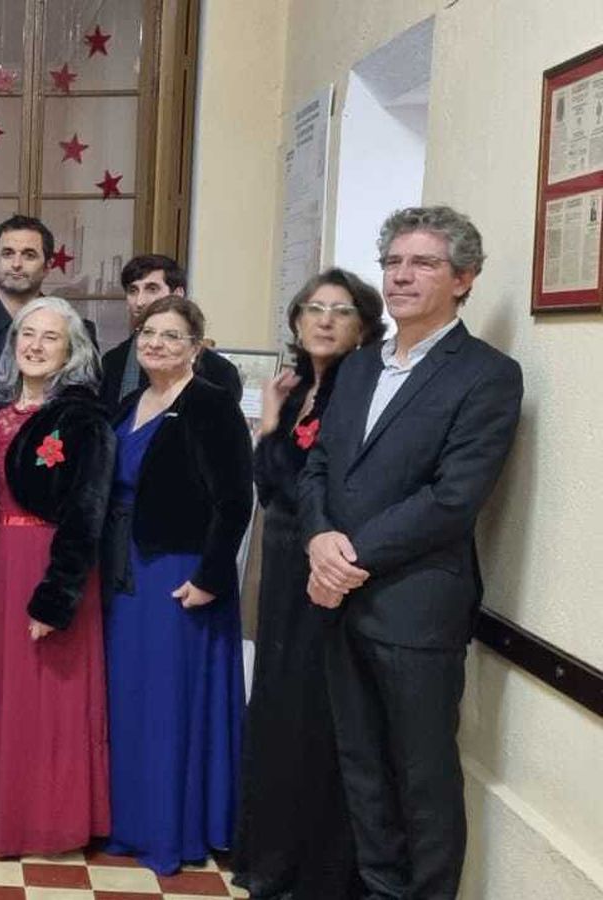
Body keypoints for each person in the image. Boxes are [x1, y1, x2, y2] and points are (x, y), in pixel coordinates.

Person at [300, 207, 523, 900]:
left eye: (423, 263)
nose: (401, 276)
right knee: (363, 773)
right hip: (340, 604)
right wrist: (317, 538)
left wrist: (347, 558)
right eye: (393, 262)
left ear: (464, 279)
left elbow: (453, 498)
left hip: (415, 610)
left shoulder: (487, 375)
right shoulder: (359, 366)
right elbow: (319, 467)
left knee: (422, 782)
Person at [232, 269, 383, 900]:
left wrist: (269, 435)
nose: (324, 320)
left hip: (326, 571)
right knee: (276, 705)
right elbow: (271, 485)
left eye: (341, 311)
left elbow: (307, 487)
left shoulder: (360, 390)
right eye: (313, 309)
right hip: (283, 566)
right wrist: (272, 421)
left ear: (364, 328)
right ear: (295, 321)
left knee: (315, 716)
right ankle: (271, 859)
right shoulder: (297, 390)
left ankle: (313, 870)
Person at [101, 294, 252, 875]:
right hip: (125, 571)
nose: (156, 344)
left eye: (171, 336)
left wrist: (210, 577)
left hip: (180, 573)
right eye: (148, 334)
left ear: (195, 348)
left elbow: (235, 500)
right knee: (130, 698)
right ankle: (128, 822)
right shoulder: (129, 403)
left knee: (168, 702)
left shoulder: (210, 404)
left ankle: (171, 828)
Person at [0, 296, 114, 857]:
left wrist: (56, 596)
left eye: (49, 337)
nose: (34, 345)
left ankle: (45, 822)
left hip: (44, 564)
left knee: (44, 695)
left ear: (71, 350)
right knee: (0, 693)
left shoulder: (82, 419)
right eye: (26, 335)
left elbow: (87, 512)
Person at [0, 214, 97, 385]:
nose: (16, 264)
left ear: (48, 266)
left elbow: (86, 393)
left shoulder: (76, 329)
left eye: (29, 255)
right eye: (8, 254)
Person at [98, 254, 241, 411]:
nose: (140, 301)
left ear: (177, 294)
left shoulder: (219, 371)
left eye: (152, 289)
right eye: (133, 291)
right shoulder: (113, 361)